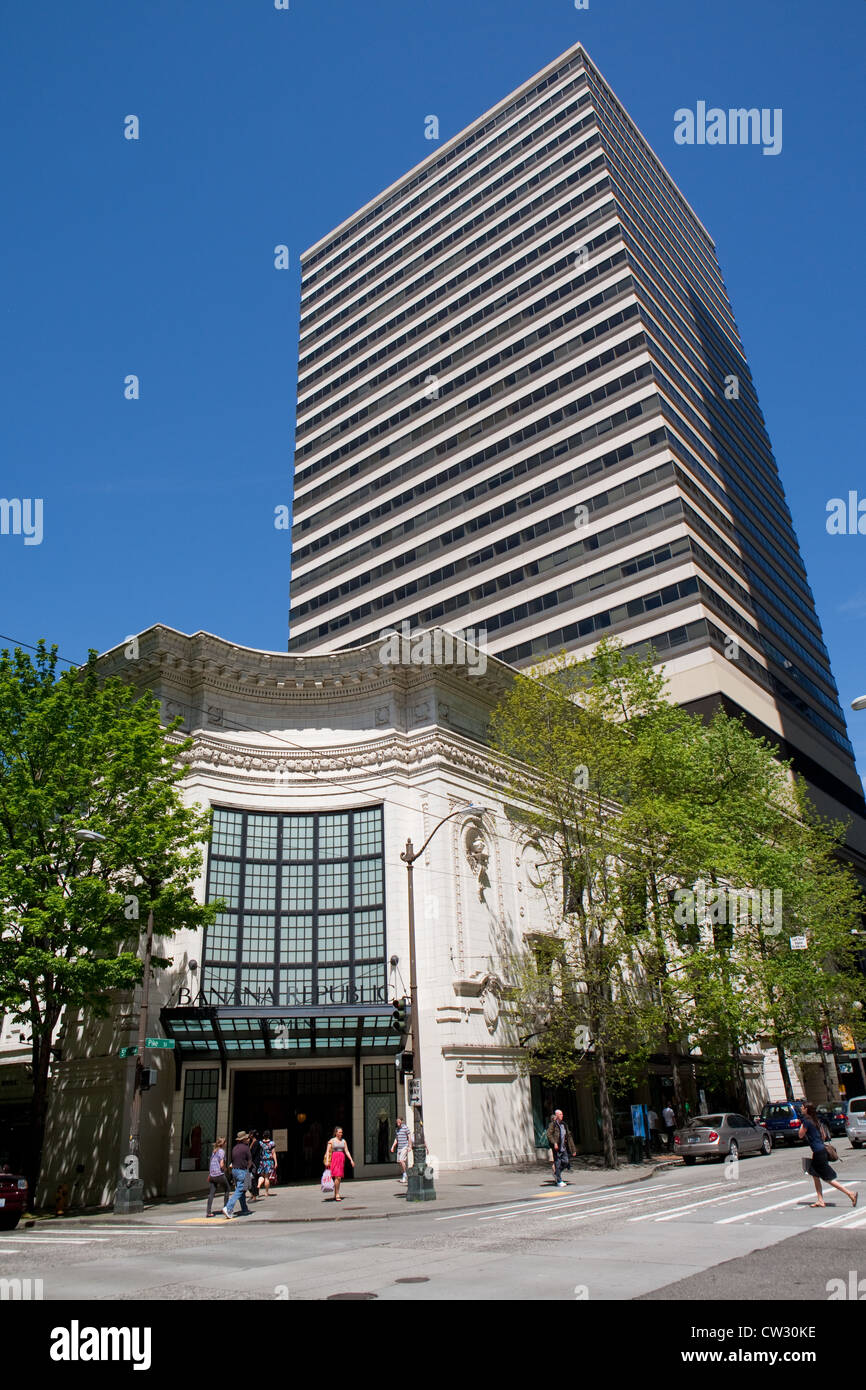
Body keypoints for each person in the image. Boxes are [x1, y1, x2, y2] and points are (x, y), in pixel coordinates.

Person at [798, 1104, 858, 1210]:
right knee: (814, 1174)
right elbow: (824, 1136)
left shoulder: (806, 1121)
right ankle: (820, 1200)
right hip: (821, 1150)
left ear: (806, 1109)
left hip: (818, 1152)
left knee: (828, 1178)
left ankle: (850, 1193)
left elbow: (800, 1135)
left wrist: (802, 1125)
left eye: (802, 1107)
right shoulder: (816, 1121)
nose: (801, 1109)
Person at [224, 1131, 253, 1219]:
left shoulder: (235, 1148)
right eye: (247, 1138)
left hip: (235, 1171)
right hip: (242, 1171)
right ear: (243, 1139)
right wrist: (248, 1169)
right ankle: (228, 1207)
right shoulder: (246, 1148)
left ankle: (244, 1209)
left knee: (242, 1190)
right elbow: (250, 1161)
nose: (248, 1140)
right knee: (240, 1190)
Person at [546, 1109, 577, 1187]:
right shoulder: (553, 1125)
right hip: (557, 1148)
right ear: (556, 1116)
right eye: (560, 1114)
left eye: (562, 1114)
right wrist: (555, 1143)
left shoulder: (564, 1125)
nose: (561, 1116)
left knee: (566, 1162)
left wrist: (573, 1149)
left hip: (563, 1147)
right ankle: (559, 1181)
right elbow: (549, 1134)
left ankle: (557, 1173)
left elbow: (569, 1137)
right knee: (557, 1162)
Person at [324, 1126, 355, 1201]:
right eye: (339, 1132)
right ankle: (337, 1194)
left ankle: (336, 1193)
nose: (341, 1133)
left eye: (341, 1132)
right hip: (334, 1159)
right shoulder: (332, 1140)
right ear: (336, 1133)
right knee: (337, 1176)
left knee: (339, 1177)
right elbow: (328, 1151)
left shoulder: (343, 1141)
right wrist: (327, 1160)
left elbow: (346, 1151)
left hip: (341, 1159)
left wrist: (351, 1160)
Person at [206, 1136, 228, 1217]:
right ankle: (226, 1208)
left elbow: (212, 1163)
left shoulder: (214, 1151)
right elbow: (221, 1164)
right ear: (223, 1143)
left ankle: (208, 1211)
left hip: (212, 1174)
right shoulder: (222, 1151)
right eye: (225, 1142)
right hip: (219, 1174)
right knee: (227, 1189)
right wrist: (225, 1169)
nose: (226, 1144)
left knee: (211, 1193)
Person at [390, 1116, 412, 1184]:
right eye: (397, 1122)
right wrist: (393, 1146)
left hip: (404, 1147)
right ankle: (404, 1176)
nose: (398, 1123)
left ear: (401, 1121)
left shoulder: (405, 1128)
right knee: (400, 1162)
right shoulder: (397, 1130)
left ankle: (405, 1174)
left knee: (402, 1160)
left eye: (399, 1121)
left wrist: (410, 1146)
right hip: (399, 1147)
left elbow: (409, 1136)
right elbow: (396, 1139)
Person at [258, 1130, 276, 1196]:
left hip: (262, 1161)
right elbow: (273, 1153)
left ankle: (259, 1185)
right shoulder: (271, 1143)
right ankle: (266, 1192)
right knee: (267, 1177)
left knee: (261, 1175)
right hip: (269, 1161)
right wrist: (275, 1162)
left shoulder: (260, 1143)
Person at [247, 1130, 262, 1201]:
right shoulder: (250, 1142)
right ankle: (253, 1193)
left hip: (254, 1163)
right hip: (250, 1163)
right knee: (251, 1178)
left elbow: (253, 1153)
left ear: (252, 1135)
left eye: (250, 1134)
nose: (248, 1135)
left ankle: (254, 1194)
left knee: (253, 1177)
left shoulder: (256, 1143)